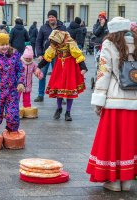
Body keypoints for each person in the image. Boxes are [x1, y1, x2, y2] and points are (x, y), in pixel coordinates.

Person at [86, 17, 137, 192]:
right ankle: (127, 181)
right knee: (129, 142)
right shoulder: (136, 43)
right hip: (134, 101)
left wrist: (98, 101)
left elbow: (103, 74)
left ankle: (113, 181)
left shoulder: (109, 44)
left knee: (112, 141)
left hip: (115, 100)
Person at [37, 30, 87, 121]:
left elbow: (78, 55)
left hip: (70, 68)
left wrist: (83, 67)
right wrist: (39, 67)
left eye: (55, 42)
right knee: (58, 87)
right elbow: (48, 56)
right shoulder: (54, 45)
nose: (54, 44)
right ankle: (59, 108)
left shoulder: (70, 43)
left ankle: (68, 112)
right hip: (59, 67)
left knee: (70, 89)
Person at [34, 10, 66, 102]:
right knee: (42, 75)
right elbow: (38, 42)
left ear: (56, 17)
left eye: (53, 17)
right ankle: (40, 95)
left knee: (59, 75)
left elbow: (66, 41)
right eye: (50, 17)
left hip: (58, 55)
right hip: (45, 55)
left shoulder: (62, 27)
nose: (51, 18)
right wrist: (39, 54)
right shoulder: (43, 28)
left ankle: (61, 95)